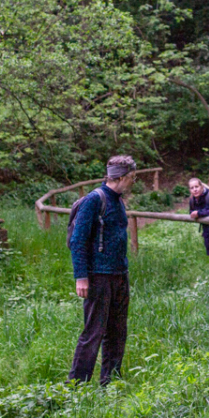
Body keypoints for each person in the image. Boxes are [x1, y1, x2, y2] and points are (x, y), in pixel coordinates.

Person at [68, 155, 136, 385]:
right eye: (133, 178)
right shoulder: (94, 200)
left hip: (119, 275)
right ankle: (77, 386)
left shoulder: (117, 200)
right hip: (98, 276)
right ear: (123, 177)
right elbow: (78, 240)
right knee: (93, 332)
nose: (133, 182)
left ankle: (110, 383)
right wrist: (81, 277)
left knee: (117, 331)